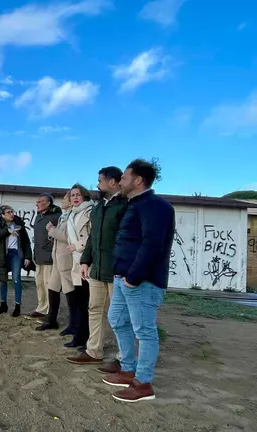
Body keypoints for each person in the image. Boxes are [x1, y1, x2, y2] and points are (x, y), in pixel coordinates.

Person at [103, 159, 174, 403]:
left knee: (144, 330)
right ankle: (128, 368)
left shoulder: (155, 206)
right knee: (116, 319)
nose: (120, 181)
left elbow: (152, 244)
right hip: (124, 278)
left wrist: (134, 277)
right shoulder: (135, 204)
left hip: (141, 281)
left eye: (124, 177)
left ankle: (143, 384)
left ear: (138, 180)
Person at [66, 167, 128, 372]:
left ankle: (123, 357)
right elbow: (93, 238)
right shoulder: (100, 207)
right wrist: (85, 261)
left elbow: (127, 239)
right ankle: (94, 351)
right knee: (95, 309)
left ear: (113, 182)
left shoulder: (125, 205)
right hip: (97, 269)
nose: (97, 185)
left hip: (116, 270)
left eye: (100, 181)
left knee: (119, 315)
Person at [36, 190, 76, 333]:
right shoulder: (64, 217)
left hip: (66, 260)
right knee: (52, 289)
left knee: (70, 293)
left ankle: (74, 324)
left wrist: (52, 231)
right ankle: (51, 320)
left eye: (65, 199)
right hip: (57, 259)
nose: (62, 201)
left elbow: (69, 237)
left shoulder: (72, 216)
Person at [62, 184, 94, 350]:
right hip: (75, 262)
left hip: (87, 261)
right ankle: (80, 337)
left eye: (78, 195)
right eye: (72, 195)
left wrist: (78, 245)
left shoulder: (90, 211)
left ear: (85, 196)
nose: (74, 197)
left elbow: (93, 236)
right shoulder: (71, 215)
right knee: (80, 302)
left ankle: (88, 340)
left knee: (89, 304)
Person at [0, 205, 32, 317]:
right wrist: (6, 231)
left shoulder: (19, 225)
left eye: (12, 211)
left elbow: (26, 242)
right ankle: (3, 305)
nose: (11, 214)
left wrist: (28, 256)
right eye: (8, 212)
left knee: (16, 279)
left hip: (16, 254)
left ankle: (17, 306)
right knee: (2, 279)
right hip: (2, 255)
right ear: (2, 215)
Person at [26, 194, 62, 320]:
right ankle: (41, 308)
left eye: (40, 202)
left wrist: (50, 248)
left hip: (49, 257)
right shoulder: (38, 216)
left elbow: (59, 235)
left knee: (49, 285)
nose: (37, 204)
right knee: (39, 284)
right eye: (37, 201)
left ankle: (49, 311)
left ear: (48, 203)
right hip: (39, 256)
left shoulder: (56, 216)